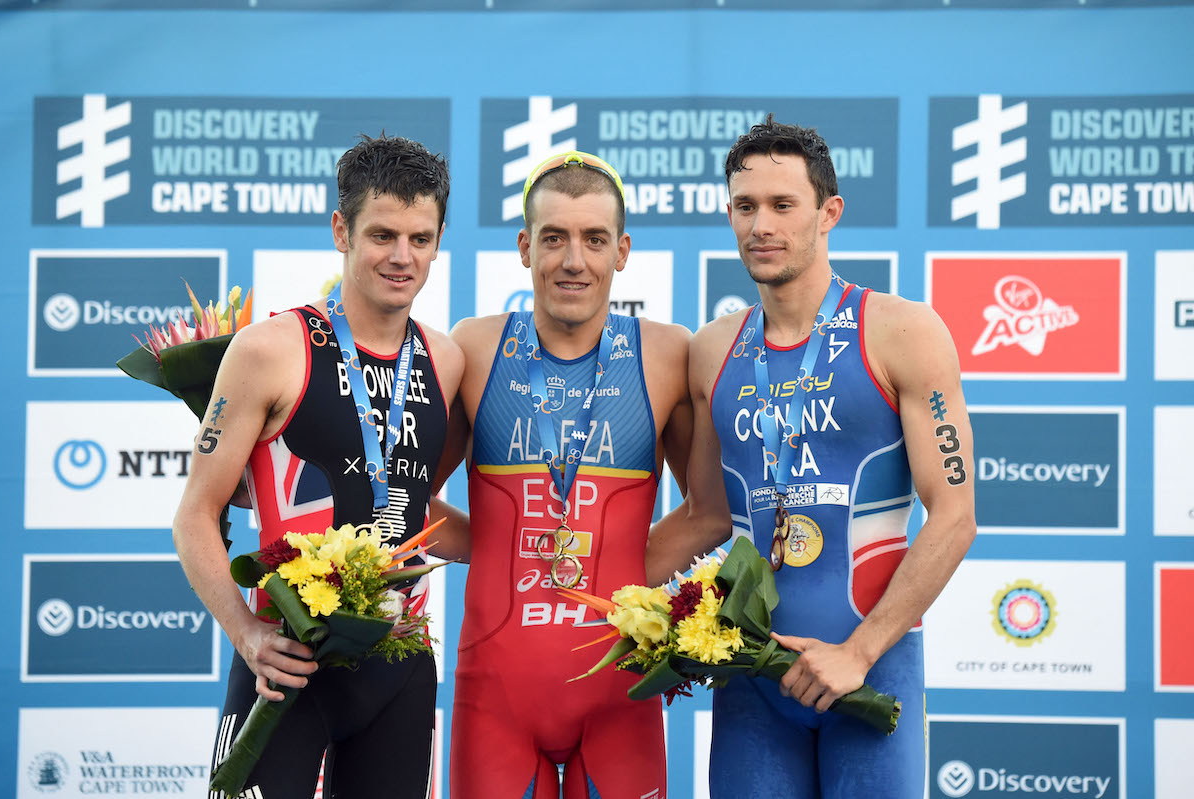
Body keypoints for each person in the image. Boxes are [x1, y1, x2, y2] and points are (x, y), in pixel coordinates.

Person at [649, 116, 977, 798]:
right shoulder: (713, 350)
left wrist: (858, 652)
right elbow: (705, 514)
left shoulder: (902, 330)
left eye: (781, 205)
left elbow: (954, 515)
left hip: (870, 668)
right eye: (745, 206)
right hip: (752, 685)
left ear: (829, 213)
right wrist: (584, 588)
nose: (760, 225)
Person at [172, 134, 463, 798]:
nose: (401, 256)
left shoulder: (445, 360)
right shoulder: (270, 350)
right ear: (341, 228)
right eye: (382, 234)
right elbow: (195, 514)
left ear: (439, 239)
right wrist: (246, 634)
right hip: (287, 660)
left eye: (420, 238)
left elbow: (418, 506)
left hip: (401, 662)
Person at [436, 151, 692, 799]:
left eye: (594, 239)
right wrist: (496, 545)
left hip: (621, 689)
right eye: (554, 238)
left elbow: (711, 509)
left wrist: (624, 568)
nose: (573, 259)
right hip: (496, 691)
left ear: (622, 251)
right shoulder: (474, 346)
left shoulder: (666, 354)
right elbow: (408, 505)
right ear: (525, 247)